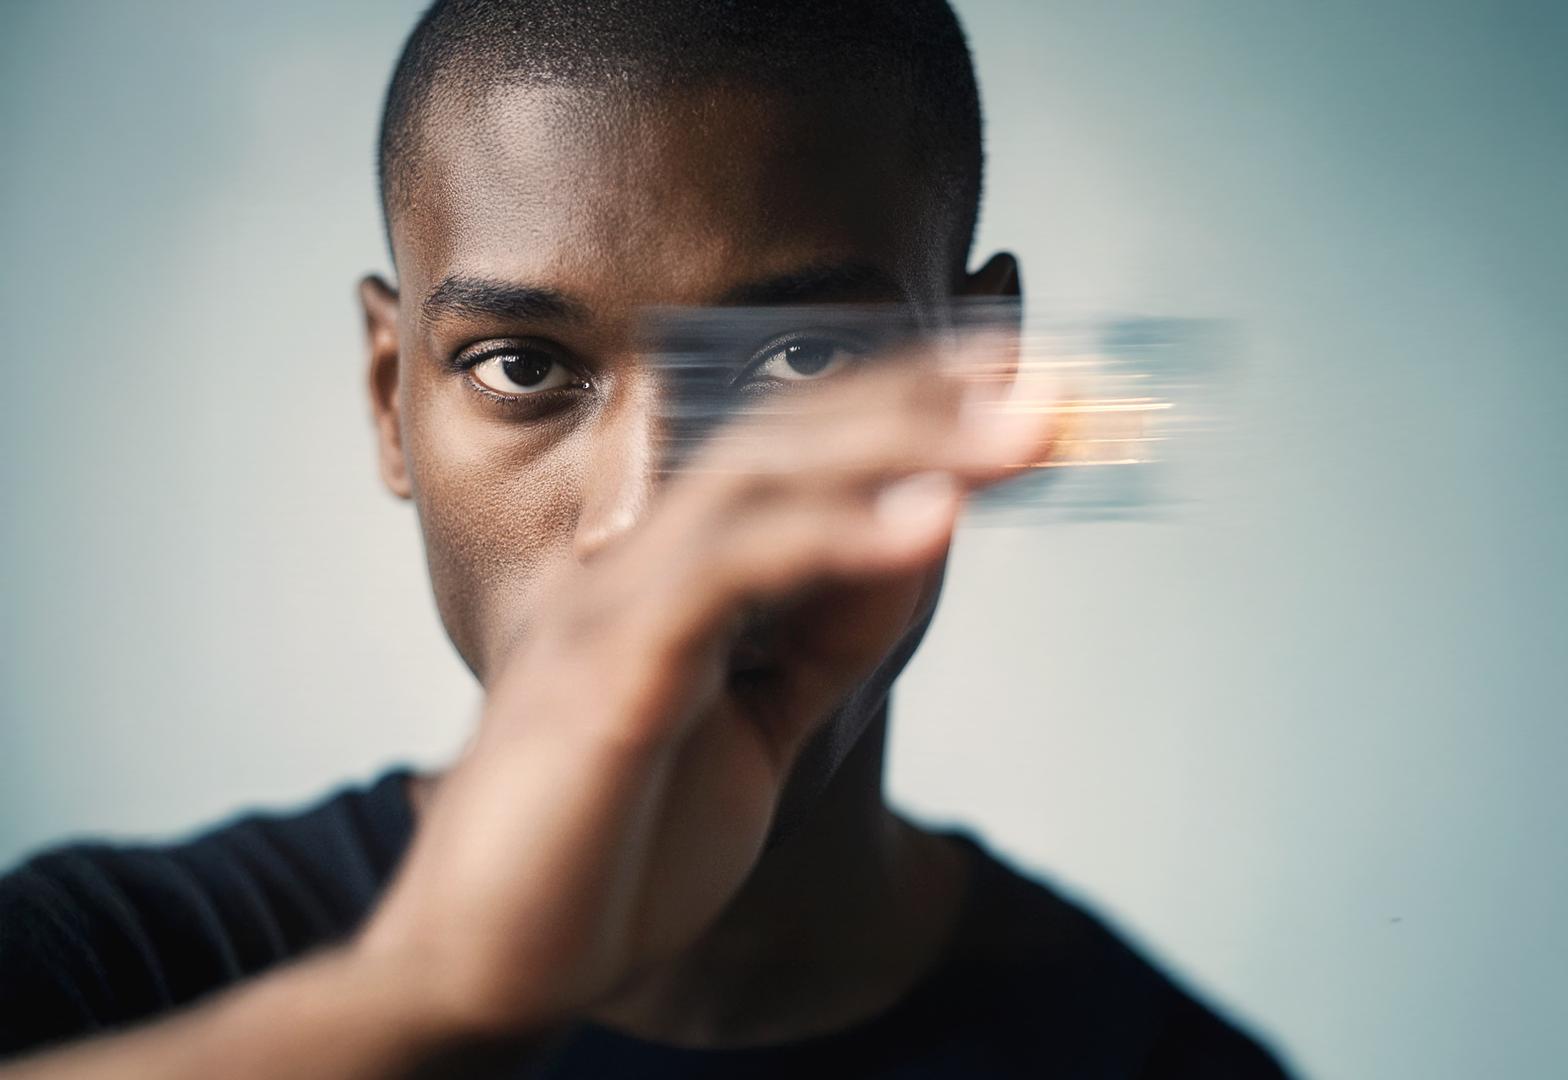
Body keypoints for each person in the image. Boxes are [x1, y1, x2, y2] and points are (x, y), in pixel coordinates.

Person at [0, 2, 1291, 1076]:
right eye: (521, 365)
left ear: (981, 375)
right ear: (390, 399)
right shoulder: (109, 971)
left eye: (802, 359)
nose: (643, 521)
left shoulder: (1161, 1065)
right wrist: (428, 999)